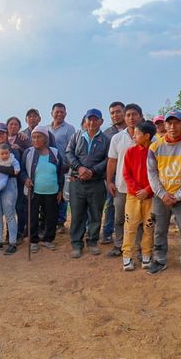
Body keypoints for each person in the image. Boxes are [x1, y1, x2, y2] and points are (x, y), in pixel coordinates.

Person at [146, 110, 181, 280]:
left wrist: (178, 196)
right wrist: (162, 194)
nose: (172, 126)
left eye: (176, 122)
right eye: (169, 123)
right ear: (164, 125)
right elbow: (152, 173)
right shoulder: (155, 147)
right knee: (159, 229)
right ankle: (160, 259)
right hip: (161, 196)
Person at [67, 109, 110, 258]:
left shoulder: (106, 139)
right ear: (85, 120)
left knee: (95, 214)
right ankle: (76, 244)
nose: (91, 122)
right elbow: (69, 153)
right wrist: (79, 168)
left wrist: (92, 171)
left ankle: (92, 241)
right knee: (77, 214)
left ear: (101, 121)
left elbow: (108, 159)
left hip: (96, 183)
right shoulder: (77, 136)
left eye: (95, 119)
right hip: (77, 182)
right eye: (89, 119)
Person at [106, 103, 144, 257]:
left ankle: (141, 248)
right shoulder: (117, 138)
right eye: (128, 115)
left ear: (140, 116)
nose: (131, 118)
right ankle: (119, 245)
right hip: (122, 186)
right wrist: (109, 181)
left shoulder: (149, 136)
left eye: (134, 114)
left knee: (141, 219)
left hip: (142, 187)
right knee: (119, 218)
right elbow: (112, 161)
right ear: (125, 117)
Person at [20, 126, 64, 253]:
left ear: (45, 138)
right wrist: (26, 179)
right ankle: (33, 241)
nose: (36, 139)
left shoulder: (54, 153)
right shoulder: (28, 152)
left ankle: (48, 239)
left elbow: (60, 173)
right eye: (33, 137)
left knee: (51, 216)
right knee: (32, 216)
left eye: (39, 137)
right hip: (34, 191)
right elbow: (22, 171)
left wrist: (60, 190)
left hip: (52, 190)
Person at [121, 121, 156, 271]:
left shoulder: (156, 151)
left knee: (149, 226)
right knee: (130, 226)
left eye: (137, 133)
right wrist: (137, 191)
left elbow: (159, 174)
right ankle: (127, 256)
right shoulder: (130, 151)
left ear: (147, 136)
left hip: (151, 196)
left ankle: (147, 255)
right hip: (133, 196)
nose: (134, 136)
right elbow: (126, 174)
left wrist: (147, 190)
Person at [48, 103, 76, 232]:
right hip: (48, 167)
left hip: (64, 166)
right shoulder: (45, 128)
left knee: (63, 195)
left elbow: (72, 148)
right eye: (57, 112)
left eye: (62, 112)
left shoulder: (69, 129)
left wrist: (70, 165)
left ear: (65, 113)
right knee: (51, 194)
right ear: (52, 113)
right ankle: (50, 221)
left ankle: (60, 222)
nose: (59, 114)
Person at [101, 102, 127, 244]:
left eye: (118, 112)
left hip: (132, 176)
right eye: (112, 113)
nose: (115, 115)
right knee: (111, 205)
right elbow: (107, 158)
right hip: (114, 176)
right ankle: (107, 233)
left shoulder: (134, 130)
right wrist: (108, 179)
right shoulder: (107, 134)